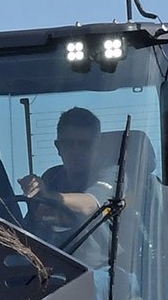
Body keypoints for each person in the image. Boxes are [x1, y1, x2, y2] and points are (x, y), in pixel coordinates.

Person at [18, 107, 115, 265]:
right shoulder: (51, 177)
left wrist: (49, 196)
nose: (76, 151)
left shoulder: (112, 174)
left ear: (98, 147)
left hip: (102, 273)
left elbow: (90, 205)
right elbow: (32, 228)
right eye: (69, 144)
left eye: (85, 145)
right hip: (52, 269)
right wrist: (33, 195)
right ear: (58, 147)